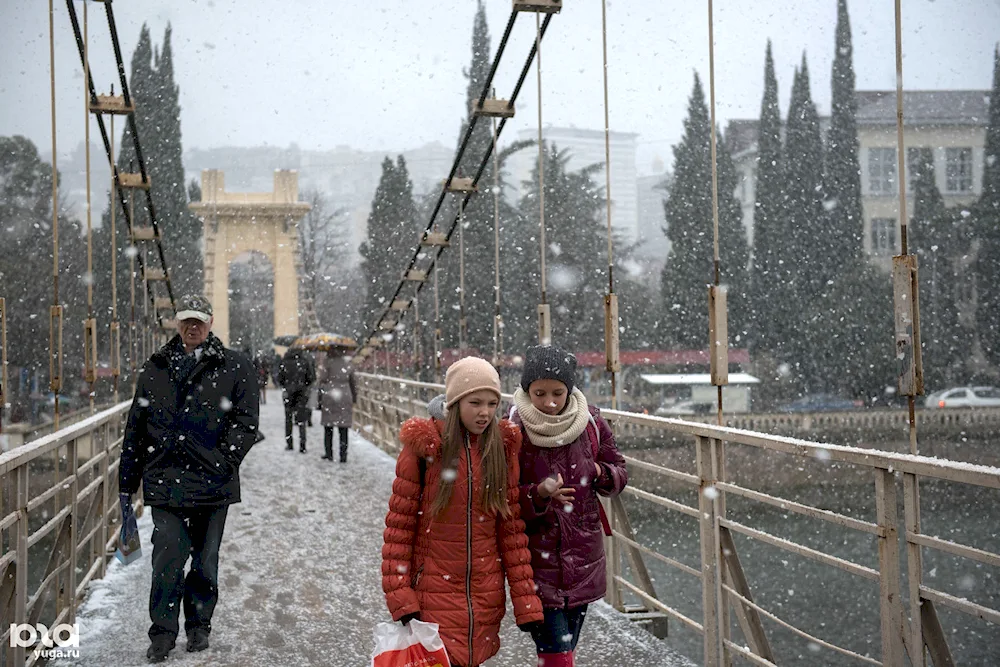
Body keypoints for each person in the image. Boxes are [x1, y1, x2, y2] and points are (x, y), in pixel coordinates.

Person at [118, 294, 260, 663]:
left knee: (205, 560)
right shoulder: (154, 368)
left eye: (199, 320)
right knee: (167, 557)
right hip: (165, 480)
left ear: (211, 322)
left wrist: (223, 459)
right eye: (186, 320)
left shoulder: (236, 366)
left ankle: (198, 626)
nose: (192, 326)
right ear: (176, 323)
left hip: (213, 483)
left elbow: (246, 423)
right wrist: (126, 480)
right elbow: (136, 427)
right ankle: (163, 633)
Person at [381, 356, 543, 667]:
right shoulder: (426, 448)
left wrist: (526, 601)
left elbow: (510, 531)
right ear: (455, 402)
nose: (485, 412)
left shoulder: (501, 448)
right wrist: (400, 595)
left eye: (492, 404)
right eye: (476, 402)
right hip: (432, 592)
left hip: (484, 597)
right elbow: (399, 529)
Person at [511, 345, 628, 667]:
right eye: (539, 393)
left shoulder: (590, 423)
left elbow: (619, 471)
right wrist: (537, 494)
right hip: (537, 558)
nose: (549, 402)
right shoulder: (512, 429)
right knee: (558, 654)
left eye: (557, 393)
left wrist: (599, 472)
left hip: (583, 555)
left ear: (570, 390)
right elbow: (501, 495)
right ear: (526, 390)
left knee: (564, 651)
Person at [316, 350, 357, 462]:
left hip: (330, 395)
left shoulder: (327, 361)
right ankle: (343, 456)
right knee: (343, 428)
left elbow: (323, 379)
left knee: (328, 427)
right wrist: (354, 397)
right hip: (345, 395)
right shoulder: (348, 363)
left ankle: (329, 454)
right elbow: (353, 381)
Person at [276, 346, 315, 453]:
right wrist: (303, 385)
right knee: (301, 420)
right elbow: (311, 378)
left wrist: (286, 384)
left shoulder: (285, 361)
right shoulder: (304, 361)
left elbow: (279, 378)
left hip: (288, 393)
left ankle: (289, 443)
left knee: (288, 419)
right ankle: (302, 445)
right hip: (301, 393)